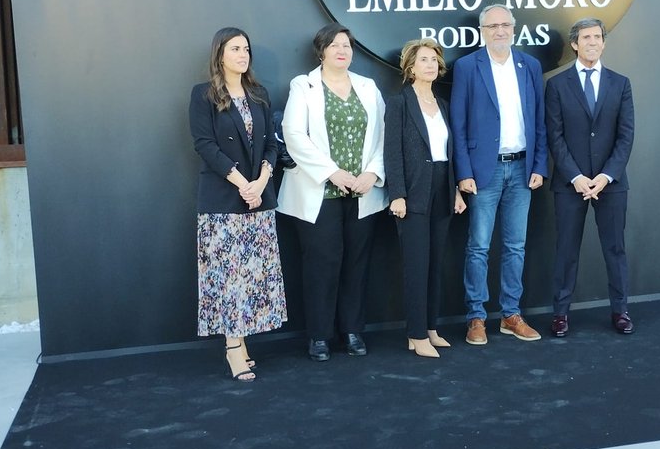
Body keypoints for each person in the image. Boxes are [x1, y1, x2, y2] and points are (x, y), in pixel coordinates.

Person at [278, 23, 388, 361]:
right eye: (335, 45)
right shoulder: (304, 85)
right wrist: (333, 173)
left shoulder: (368, 87)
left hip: (361, 191)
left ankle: (352, 331)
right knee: (321, 265)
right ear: (321, 51)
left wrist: (373, 172)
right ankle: (319, 336)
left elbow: (384, 134)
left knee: (357, 264)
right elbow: (293, 134)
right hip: (319, 192)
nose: (343, 50)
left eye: (348, 45)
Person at [189, 27, 287, 380]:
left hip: (258, 200)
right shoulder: (204, 95)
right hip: (223, 201)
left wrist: (261, 181)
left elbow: (272, 145)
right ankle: (233, 348)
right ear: (220, 54)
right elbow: (204, 145)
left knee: (251, 277)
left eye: (246, 49)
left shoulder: (258, 94)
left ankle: (243, 344)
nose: (243, 55)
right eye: (235, 49)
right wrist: (242, 183)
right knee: (230, 277)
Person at [450, 4, 547, 346]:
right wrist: (463, 172)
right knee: (478, 246)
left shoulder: (529, 65)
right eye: (493, 26)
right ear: (483, 31)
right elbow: (458, 124)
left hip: (522, 168)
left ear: (514, 28)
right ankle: (476, 317)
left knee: (515, 246)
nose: (500, 31)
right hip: (483, 170)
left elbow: (539, 119)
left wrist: (539, 165)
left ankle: (510, 314)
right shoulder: (466, 66)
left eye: (505, 25)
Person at [545, 17, 636, 336]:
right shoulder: (556, 85)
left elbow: (626, 136)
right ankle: (560, 314)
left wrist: (607, 176)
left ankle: (620, 311)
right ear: (574, 44)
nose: (593, 42)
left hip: (611, 184)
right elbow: (554, 136)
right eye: (586, 37)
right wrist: (576, 177)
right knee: (566, 250)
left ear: (603, 42)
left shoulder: (620, 83)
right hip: (571, 185)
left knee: (615, 249)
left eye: (597, 37)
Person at [384, 39, 467, 358]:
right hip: (413, 192)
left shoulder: (443, 104)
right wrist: (398, 195)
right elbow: (391, 152)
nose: (431, 65)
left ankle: (431, 327)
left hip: (442, 189)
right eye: (423, 60)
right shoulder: (399, 103)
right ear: (410, 67)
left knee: (435, 263)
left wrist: (457, 190)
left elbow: (448, 152)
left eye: (434, 60)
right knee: (416, 265)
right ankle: (416, 334)